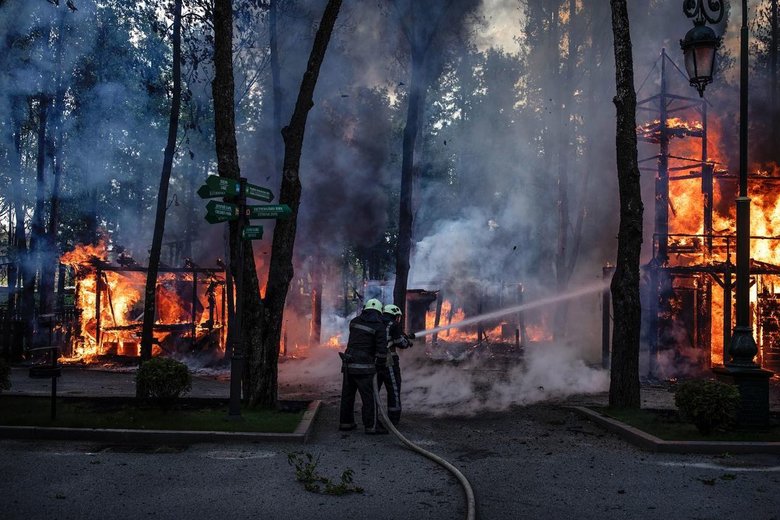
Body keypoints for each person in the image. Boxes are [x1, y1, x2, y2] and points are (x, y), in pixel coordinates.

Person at [339, 298, 389, 434]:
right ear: (379, 312)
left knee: (348, 395)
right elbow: (381, 350)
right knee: (369, 397)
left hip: (348, 364)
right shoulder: (379, 327)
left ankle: (346, 423)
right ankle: (371, 426)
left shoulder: (354, 322)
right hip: (365, 367)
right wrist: (380, 366)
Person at [377, 303, 413, 426]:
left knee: (374, 389)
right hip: (389, 360)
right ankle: (393, 419)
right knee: (393, 388)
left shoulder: (377, 322)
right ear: (395, 315)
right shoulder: (393, 324)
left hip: (374, 360)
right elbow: (400, 343)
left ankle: (372, 418)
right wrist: (407, 342)